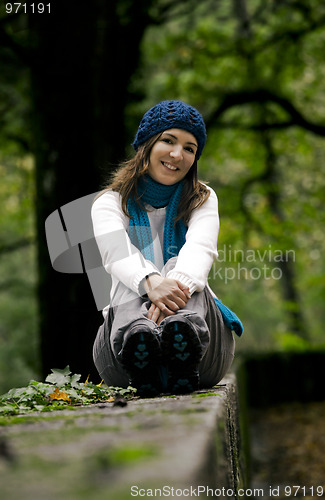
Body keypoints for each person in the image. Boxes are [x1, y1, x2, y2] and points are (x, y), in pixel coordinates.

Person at [92, 100, 243, 397]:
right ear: (147, 144)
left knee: (182, 267)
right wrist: (149, 284)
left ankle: (181, 335)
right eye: (169, 140)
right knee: (131, 275)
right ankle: (140, 339)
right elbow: (116, 254)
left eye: (189, 148)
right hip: (122, 361)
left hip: (203, 356)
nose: (178, 154)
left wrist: (167, 293)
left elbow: (200, 249)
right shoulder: (109, 203)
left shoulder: (202, 198)